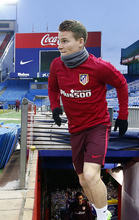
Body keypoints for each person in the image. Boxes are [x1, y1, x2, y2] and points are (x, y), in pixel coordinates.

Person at [48, 20, 128, 220]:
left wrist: (123, 116)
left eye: (65, 41)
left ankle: (103, 216)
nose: (59, 45)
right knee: (83, 181)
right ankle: (98, 211)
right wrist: (55, 106)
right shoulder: (56, 65)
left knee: (92, 175)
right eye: (59, 41)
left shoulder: (99, 67)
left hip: (97, 127)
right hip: (75, 129)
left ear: (80, 42)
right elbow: (52, 87)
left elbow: (122, 84)